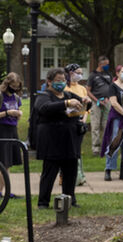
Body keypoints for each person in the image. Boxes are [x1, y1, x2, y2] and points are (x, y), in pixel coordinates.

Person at [34, 67, 85, 209]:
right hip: (52, 141)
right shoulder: (44, 96)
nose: (61, 83)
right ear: (49, 82)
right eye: (58, 81)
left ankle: (70, 200)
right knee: (49, 173)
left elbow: (85, 105)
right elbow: (45, 108)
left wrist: (85, 101)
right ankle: (43, 202)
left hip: (69, 140)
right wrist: (66, 104)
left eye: (63, 80)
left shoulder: (69, 95)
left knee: (70, 172)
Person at [0, 72, 24, 197]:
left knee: (9, 162)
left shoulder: (16, 98)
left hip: (12, 130)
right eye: (12, 86)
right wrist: (7, 113)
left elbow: (18, 113)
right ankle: (1, 192)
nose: (14, 89)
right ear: (7, 84)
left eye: (17, 87)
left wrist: (18, 114)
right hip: (1, 130)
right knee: (4, 163)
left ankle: (4, 191)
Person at [64, 63, 91, 186]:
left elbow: (87, 107)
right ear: (70, 73)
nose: (80, 75)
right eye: (78, 73)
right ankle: (64, 176)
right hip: (67, 121)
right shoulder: (65, 88)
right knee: (68, 150)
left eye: (81, 73)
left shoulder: (82, 88)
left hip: (80, 121)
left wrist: (84, 118)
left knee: (77, 150)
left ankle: (79, 175)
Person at [101, 67, 123, 181]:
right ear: (117, 73)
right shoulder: (113, 86)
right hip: (117, 118)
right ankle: (108, 169)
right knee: (114, 143)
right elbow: (114, 103)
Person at [87, 55, 113, 151]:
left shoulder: (109, 74)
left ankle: (106, 146)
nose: (107, 66)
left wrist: (108, 98)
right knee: (95, 125)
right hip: (96, 102)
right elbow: (88, 91)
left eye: (108, 64)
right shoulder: (93, 75)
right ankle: (96, 148)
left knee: (107, 124)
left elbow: (111, 88)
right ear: (99, 64)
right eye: (105, 64)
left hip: (107, 102)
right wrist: (97, 100)